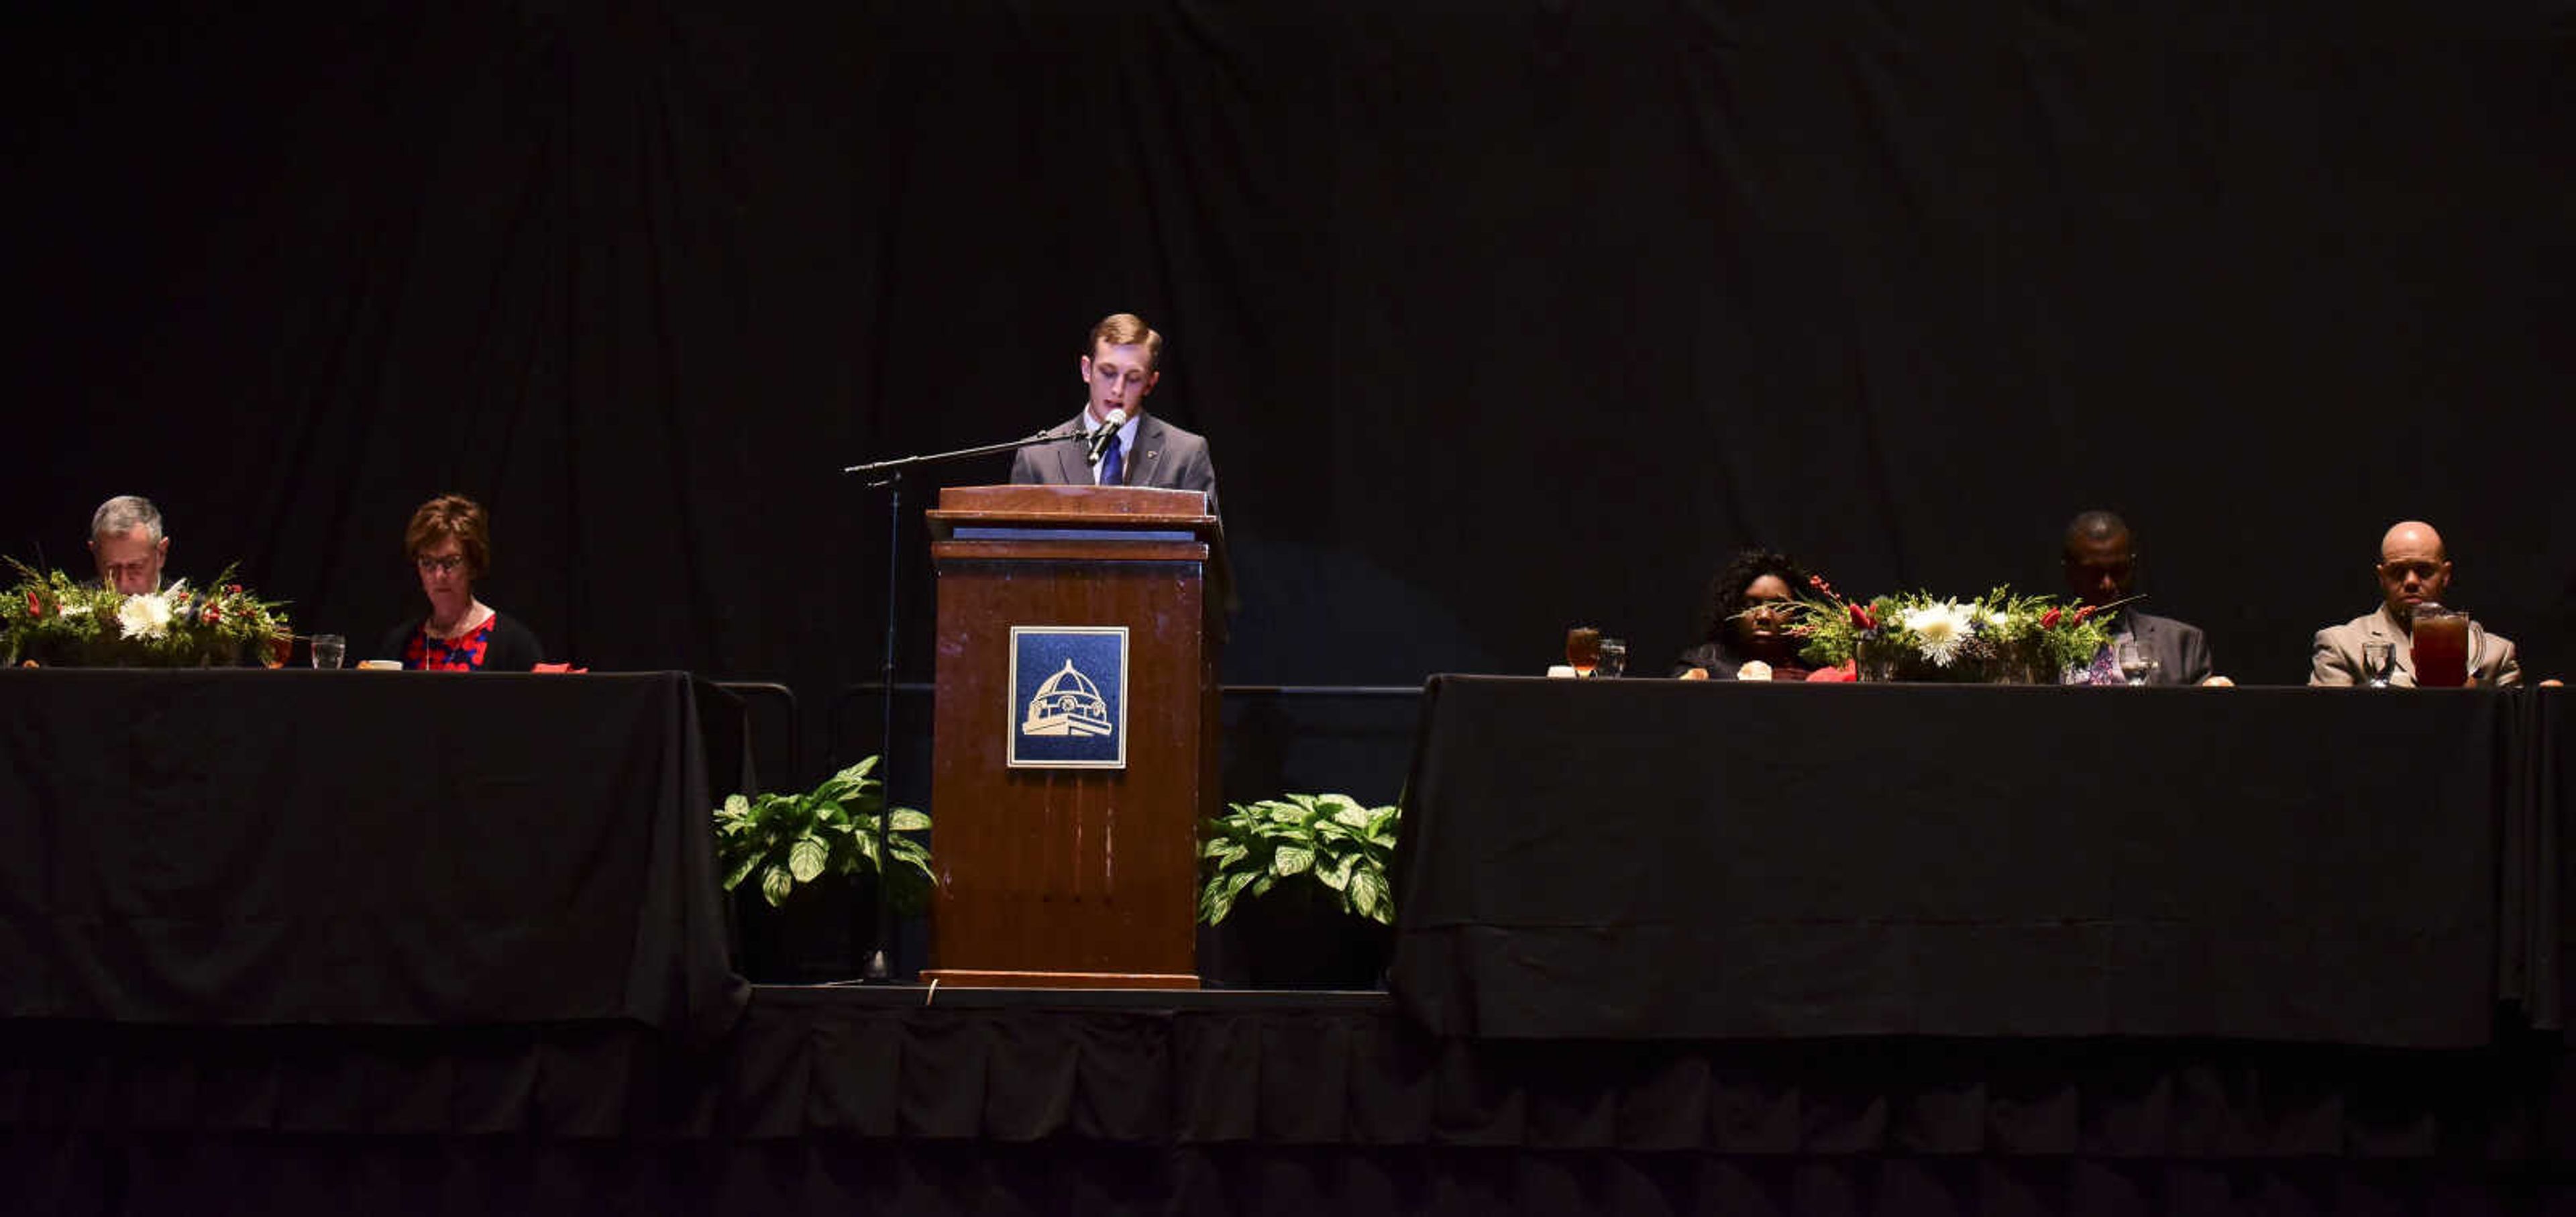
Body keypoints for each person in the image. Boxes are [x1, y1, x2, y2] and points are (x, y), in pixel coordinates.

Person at [1008, 313, 1220, 515]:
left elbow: (1204, 547)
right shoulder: (1037, 456)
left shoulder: (1186, 454)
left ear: (1150, 383)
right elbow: (1017, 547)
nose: (1118, 389)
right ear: (1086, 370)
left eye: (1134, 378)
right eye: (1108, 373)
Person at [2311, 519, 2520, 687]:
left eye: (2424, 570)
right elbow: (2330, 728)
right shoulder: (2342, 645)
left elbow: (2514, 729)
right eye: (2397, 571)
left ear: (2445, 575)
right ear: (2381, 577)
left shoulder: (2495, 654)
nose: (2411, 581)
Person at [376, 494, 544, 672]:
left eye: (450, 563)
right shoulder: (399, 643)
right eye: (428, 563)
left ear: (473, 565)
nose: (439, 575)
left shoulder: (514, 644)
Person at [2059, 510, 2215, 686]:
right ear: (2070, 572)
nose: (2108, 584)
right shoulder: (2035, 643)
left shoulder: (2183, 643)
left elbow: (2205, 711)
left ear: (2133, 567)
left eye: (2119, 571)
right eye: (2094, 573)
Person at [1674, 548, 1822, 680]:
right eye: (1750, 606)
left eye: (1779, 606)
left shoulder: (1816, 669)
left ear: (1797, 613)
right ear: (1731, 608)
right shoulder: (1702, 664)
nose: (1764, 616)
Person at [89, 494, 170, 594]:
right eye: (112, 570)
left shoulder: (190, 608)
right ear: (95, 553)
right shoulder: (69, 606)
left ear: (161, 554)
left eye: (136, 567)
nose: (124, 586)